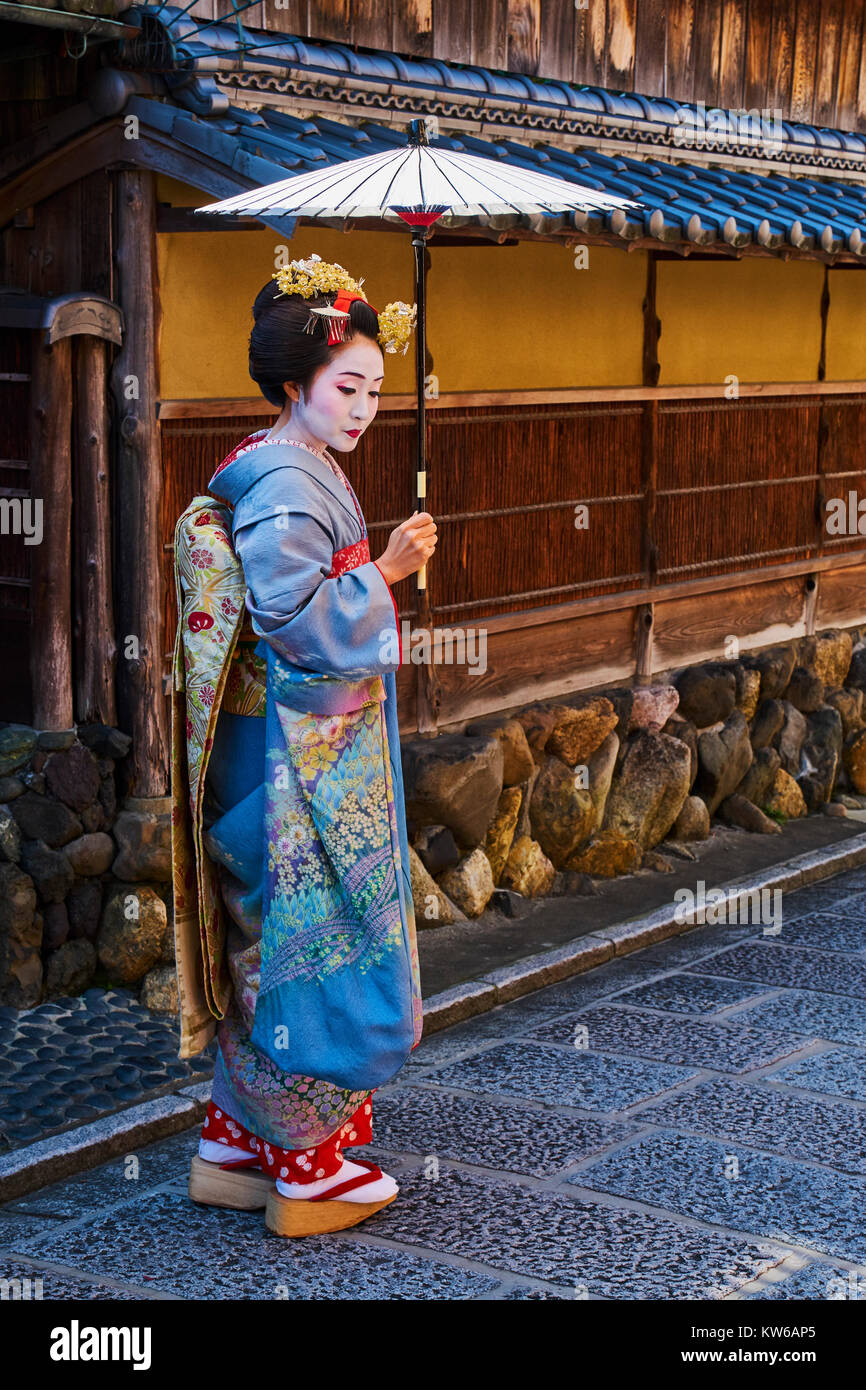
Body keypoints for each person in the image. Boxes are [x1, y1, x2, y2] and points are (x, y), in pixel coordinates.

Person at [170, 253, 437, 1237]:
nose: (363, 406)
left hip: (269, 747)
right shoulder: (289, 480)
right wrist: (392, 573)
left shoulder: (277, 463)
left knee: (266, 937)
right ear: (294, 387)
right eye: (346, 386)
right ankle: (308, 1168)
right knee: (307, 949)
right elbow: (286, 616)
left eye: (373, 387)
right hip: (291, 762)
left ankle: (233, 1144)